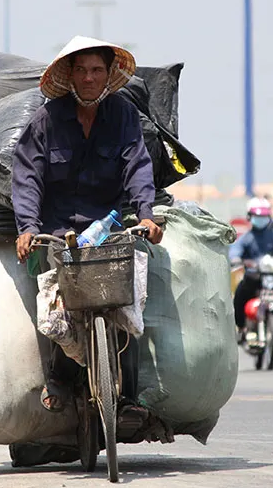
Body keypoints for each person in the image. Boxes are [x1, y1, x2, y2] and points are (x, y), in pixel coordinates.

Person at [11, 36, 162, 417]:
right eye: (82, 70)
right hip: (58, 230)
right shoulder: (46, 120)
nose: (90, 78)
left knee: (129, 298)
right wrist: (27, 227)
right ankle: (57, 380)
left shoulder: (124, 116)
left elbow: (138, 166)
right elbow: (27, 176)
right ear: (70, 75)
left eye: (97, 70)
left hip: (108, 226)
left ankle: (126, 396)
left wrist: (147, 214)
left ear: (108, 75)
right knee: (52, 298)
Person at [230, 197, 273, 348]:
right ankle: (240, 328)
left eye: (263, 217)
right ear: (250, 217)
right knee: (240, 295)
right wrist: (236, 259)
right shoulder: (247, 238)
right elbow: (235, 250)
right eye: (257, 217)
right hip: (253, 275)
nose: (260, 219)